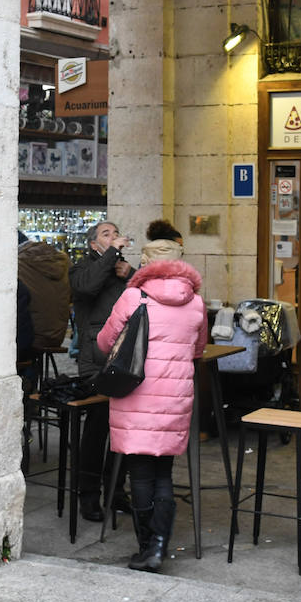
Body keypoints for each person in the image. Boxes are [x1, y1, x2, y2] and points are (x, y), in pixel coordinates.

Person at [96, 255, 207, 572]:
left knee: (140, 474)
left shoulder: (134, 296)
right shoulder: (195, 302)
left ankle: (147, 548)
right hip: (175, 399)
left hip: (136, 397)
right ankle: (159, 545)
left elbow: (106, 343)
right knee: (163, 474)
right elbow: (198, 349)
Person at [70, 221, 134, 520]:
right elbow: (87, 287)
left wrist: (132, 275)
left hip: (125, 357)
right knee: (97, 428)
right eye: (105, 235)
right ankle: (88, 495)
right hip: (95, 359)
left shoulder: (122, 270)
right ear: (94, 244)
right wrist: (111, 257)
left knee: (123, 429)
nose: (113, 238)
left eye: (115, 232)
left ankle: (116, 490)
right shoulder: (82, 269)